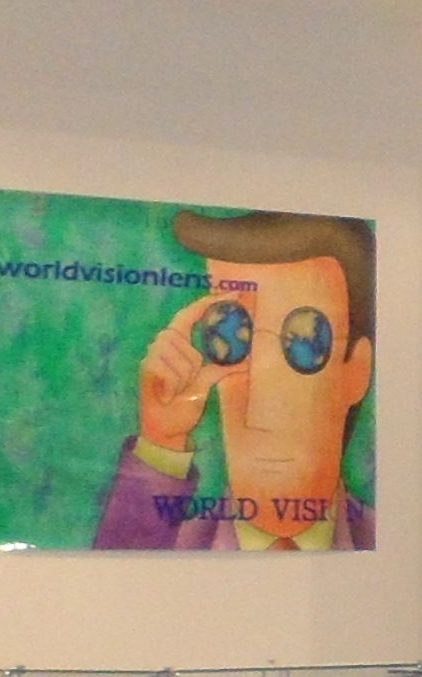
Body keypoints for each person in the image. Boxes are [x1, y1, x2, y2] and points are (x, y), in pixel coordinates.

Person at [96, 207, 379, 551]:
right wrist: (160, 447)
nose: (258, 412)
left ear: (356, 371)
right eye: (231, 337)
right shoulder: (164, 546)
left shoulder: (402, 545)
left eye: (306, 345)